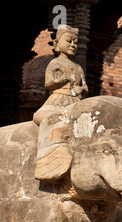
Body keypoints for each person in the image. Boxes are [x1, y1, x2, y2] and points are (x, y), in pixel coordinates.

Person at [33, 25, 88, 181]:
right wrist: (61, 80)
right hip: (58, 99)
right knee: (49, 119)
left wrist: (81, 89)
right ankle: (47, 160)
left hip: (75, 101)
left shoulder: (78, 67)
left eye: (75, 42)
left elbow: (85, 86)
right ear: (57, 44)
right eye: (69, 41)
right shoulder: (55, 63)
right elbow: (49, 83)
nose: (73, 45)